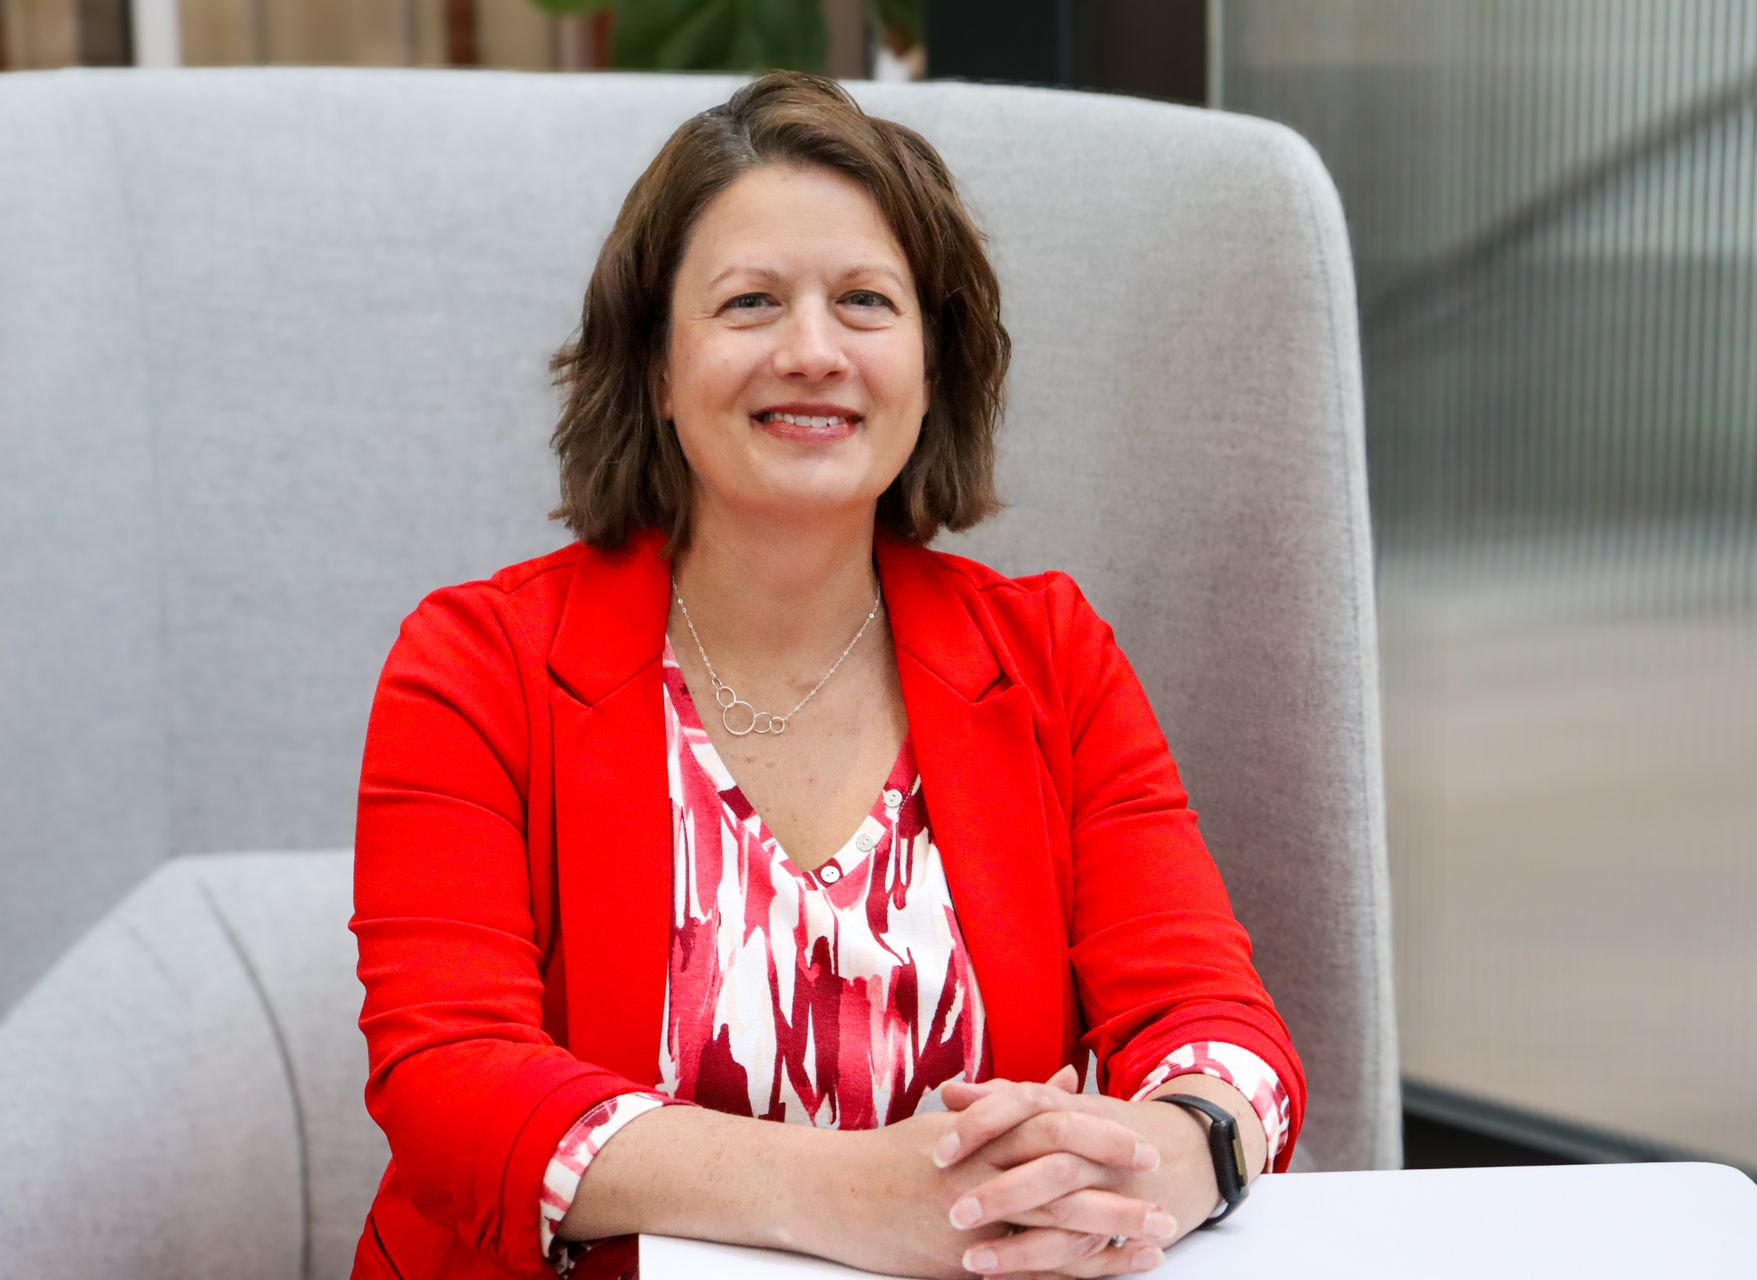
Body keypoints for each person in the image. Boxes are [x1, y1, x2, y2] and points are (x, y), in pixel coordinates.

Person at [349, 70, 1303, 1280]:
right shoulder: (477, 661)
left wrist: (1162, 1148)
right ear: (654, 366)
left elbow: (1221, 1023)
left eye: (865, 300)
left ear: (928, 364)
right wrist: (853, 1195)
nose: (812, 350)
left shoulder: (1052, 654)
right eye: (750, 302)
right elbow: (447, 1081)